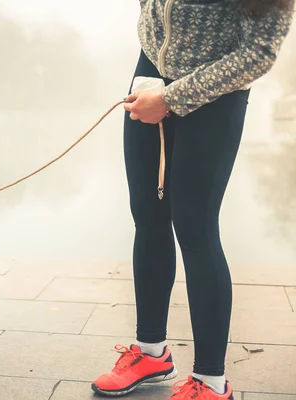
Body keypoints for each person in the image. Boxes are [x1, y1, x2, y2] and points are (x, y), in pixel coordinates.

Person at [92, 0, 294, 399]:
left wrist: (172, 97)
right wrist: (157, 82)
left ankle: (211, 383)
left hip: (215, 96)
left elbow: (259, 53)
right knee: (147, 216)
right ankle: (151, 353)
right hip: (149, 73)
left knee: (195, 227)